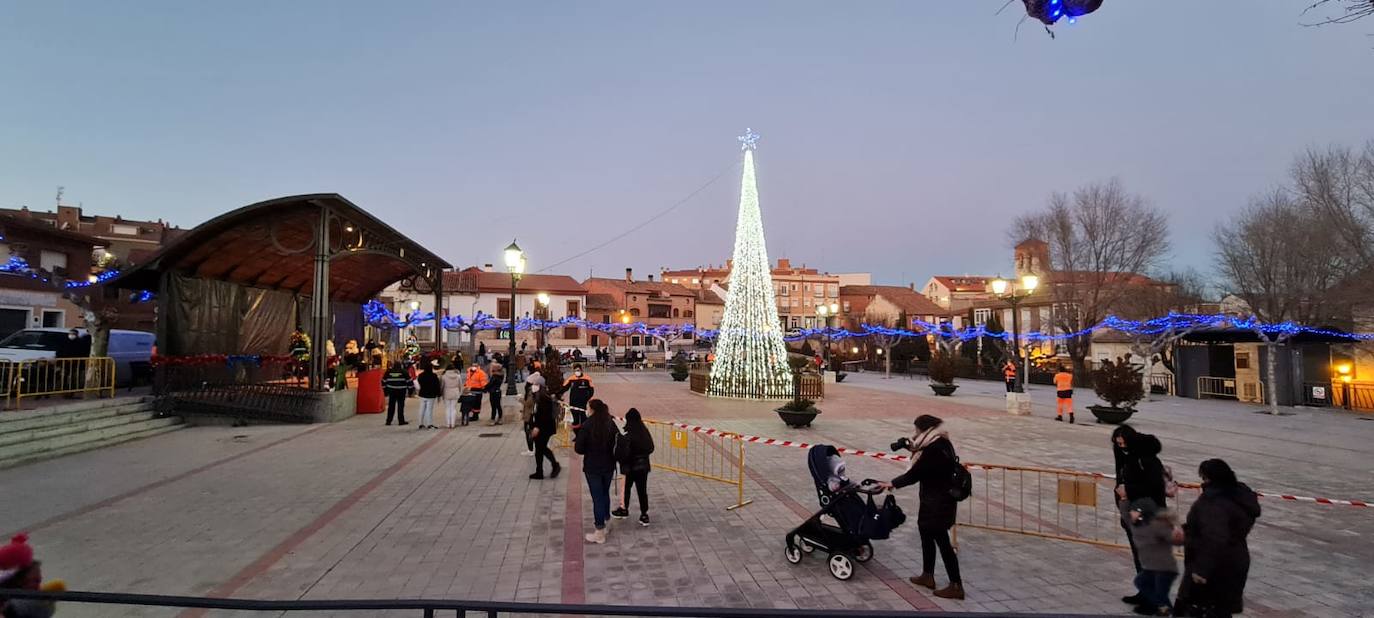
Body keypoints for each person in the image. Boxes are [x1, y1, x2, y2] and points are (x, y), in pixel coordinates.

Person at [877, 414, 964, 600]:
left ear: (925, 430)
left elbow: (915, 473)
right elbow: (923, 458)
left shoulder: (934, 449)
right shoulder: (940, 442)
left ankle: (956, 585)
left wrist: (892, 483)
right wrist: (910, 446)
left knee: (942, 542)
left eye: (916, 430)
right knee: (926, 535)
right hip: (935, 500)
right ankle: (927, 575)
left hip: (937, 503)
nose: (915, 434)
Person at [1175, 459, 1260, 618]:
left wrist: (1201, 570)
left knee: (1194, 608)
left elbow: (1215, 536)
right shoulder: (1240, 496)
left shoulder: (1214, 501)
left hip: (1212, 566)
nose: (1203, 482)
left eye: (1204, 478)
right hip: (1235, 560)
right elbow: (1224, 527)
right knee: (1221, 609)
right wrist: (1188, 530)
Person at [1113, 425, 1168, 605]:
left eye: (1123, 444)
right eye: (1118, 445)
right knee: (1139, 555)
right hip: (1133, 514)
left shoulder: (1146, 459)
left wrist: (1128, 490)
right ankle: (1145, 592)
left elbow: (1155, 487)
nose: (1121, 448)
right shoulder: (1128, 458)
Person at [1121, 498, 1182, 616]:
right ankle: (1163, 607)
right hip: (1151, 567)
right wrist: (1123, 500)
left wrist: (1177, 537)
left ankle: (1166, 609)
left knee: (1160, 594)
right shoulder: (1136, 525)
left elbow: (1172, 538)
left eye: (1135, 511)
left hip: (1164, 568)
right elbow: (1126, 517)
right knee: (1141, 582)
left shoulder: (1156, 526)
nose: (1131, 513)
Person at [574, 399, 619, 544]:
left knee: (597, 498)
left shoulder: (587, 425)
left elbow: (579, 448)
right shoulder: (610, 423)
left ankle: (599, 531)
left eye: (587, 407)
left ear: (592, 409)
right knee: (604, 493)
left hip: (593, 467)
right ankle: (607, 520)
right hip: (608, 465)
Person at [611, 408, 655, 526]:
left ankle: (624, 509)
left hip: (629, 468)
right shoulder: (644, 432)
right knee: (642, 491)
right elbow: (651, 448)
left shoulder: (627, 435)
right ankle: (644, 514)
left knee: (626, 489)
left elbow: (621, 454)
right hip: (642, 467)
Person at [528, 385, 561, 480]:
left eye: (535, 384)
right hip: (541, 427)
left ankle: (551, 467)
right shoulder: (538, 397)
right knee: (540, 449)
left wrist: (537, 427)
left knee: (540, 448)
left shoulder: (543, 399)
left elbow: (544, 416)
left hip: (544, 428)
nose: (532, 387)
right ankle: (541, 471)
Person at [561, 364, 595, 432]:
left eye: (578, 370)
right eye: (575, 370)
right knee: (575, 419)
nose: (577, 372)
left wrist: (587, 398)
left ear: (581, 370)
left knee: (583, 418)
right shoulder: (571, 379)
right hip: (573, 402)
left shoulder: (587, 379)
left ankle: (585, 433)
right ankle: (577, 435)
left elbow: (591, 390)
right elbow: (564, 388)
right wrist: (557, 393)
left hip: (583, 403)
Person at [382, 361, 411, 426]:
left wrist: (385, 391)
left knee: (391, 406)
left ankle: (388, 421)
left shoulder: (389, 372)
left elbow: (383, 381)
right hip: (401, 391)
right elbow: (409, 381)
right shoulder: (404, 372)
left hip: (392, 391)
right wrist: (410, 391)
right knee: (400, 406)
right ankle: (401, 421)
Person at [414, 359, 441, 429]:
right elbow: (437, 386)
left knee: (422, 409)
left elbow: (418, 384)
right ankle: (429, 424)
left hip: (422, 394)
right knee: (429, 410)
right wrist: (438, 394)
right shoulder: (434, 376)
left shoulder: (421, 375)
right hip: (431, 395)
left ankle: (420, 423)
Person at [440, 361, 464, 428]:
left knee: (447, 409)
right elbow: (460, 386)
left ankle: (448, 424)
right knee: (453, 408)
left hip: (446, 392)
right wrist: (460, 393)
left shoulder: (444, 376)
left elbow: (442, 386)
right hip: (455, 392)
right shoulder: (458, 376)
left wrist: (441, 394)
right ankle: (453, 424)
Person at [486, 361, 506, 425]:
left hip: (493, 392)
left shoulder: (495, 376)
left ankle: (493, 419)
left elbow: (490, 384)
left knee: (493, 406)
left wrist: (484, 388)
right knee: (498, 405)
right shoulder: (501, 375)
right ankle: (500, 418)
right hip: (498, 391)